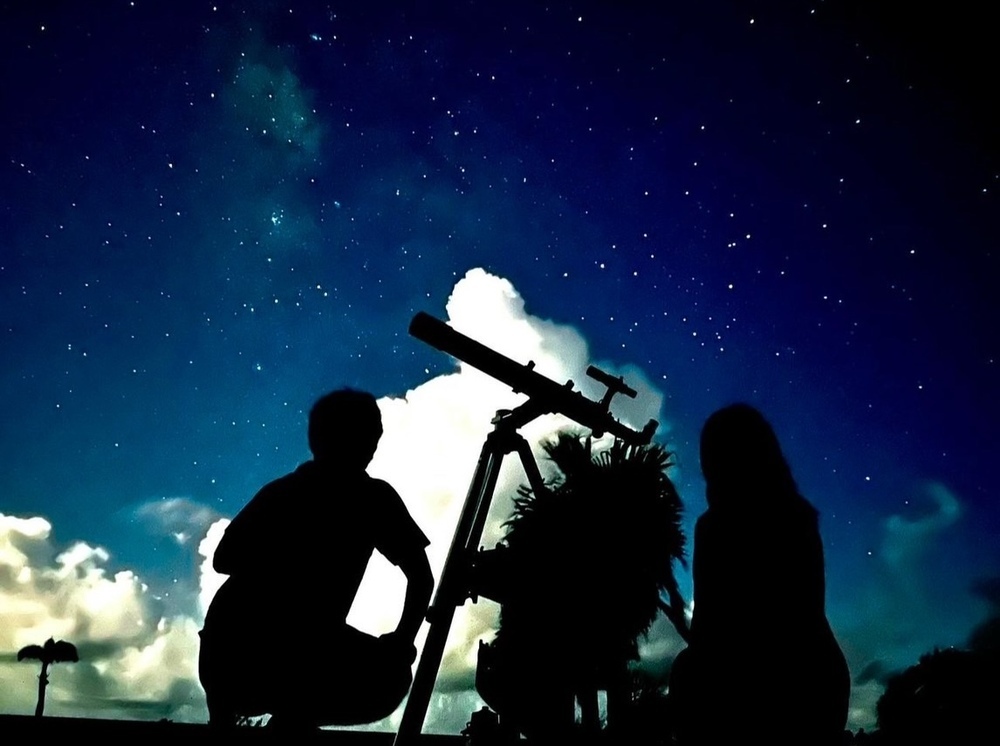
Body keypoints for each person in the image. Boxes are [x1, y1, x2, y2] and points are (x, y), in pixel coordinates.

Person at [199, 388, 434, 727]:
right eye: (368, 436)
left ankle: (286, 721)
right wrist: (402, 642)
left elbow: (224, 559)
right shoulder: (371, 499)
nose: (371, 446)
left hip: (229, 654)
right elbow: (421, 577)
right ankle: (291, 721)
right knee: (390, 677)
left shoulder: (282, 492)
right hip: (251, 653)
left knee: (378, 671)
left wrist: (401, 641)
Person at [670, 403, 850, 745]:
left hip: (768, 689)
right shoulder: (799, 515)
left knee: (687, 671)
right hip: (819, 684)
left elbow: (710, 628)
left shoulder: (714, 527)